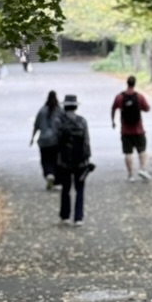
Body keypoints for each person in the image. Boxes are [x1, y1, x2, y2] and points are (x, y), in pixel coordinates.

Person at [55, 94, 92, 225]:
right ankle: (78, 217)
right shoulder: (82, 121)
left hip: (64, 162)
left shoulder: (59, 121)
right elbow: (86, 142)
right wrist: (87, 158)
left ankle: (65, 216)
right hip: (80, 161)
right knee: (80, 189)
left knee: (66, 189)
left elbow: (56, 142)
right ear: (76, 106)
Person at [111, 75, 151, 181]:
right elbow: (147, 108)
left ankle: (131, 175)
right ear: (135, 83)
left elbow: (113, 108)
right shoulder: (139, 97)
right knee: (142, 150)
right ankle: (142, 169)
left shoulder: (119, 97)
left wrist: (113, 122)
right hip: (139, 129)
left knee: (128, 153)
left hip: (125, 130)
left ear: (127, 83)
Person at [30, 90, 63, 190]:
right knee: (55, 160)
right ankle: (55, 178)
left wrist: (32, 138)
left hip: (44, 141)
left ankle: (49, 174)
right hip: (56, 140)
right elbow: (63, 125)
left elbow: (36, 126)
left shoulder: (42, 110)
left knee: (45, 160)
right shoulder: (59, 110)